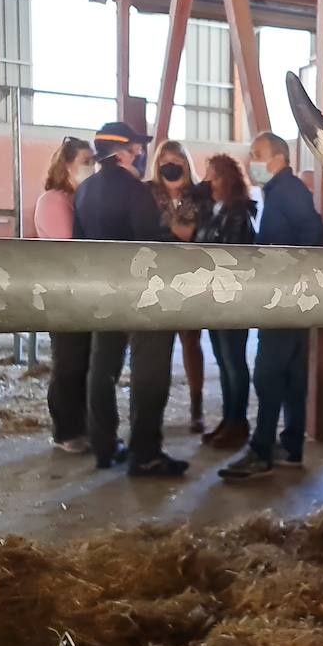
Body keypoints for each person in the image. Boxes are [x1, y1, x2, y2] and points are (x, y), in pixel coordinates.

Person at [74, 122, 189, 477]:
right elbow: (149, 243)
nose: (140, 155)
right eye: (137, 150)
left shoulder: (84, 191)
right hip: (140, 293)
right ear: (122, 152)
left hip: (100, 291)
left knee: (102, 368)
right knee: (149, 369)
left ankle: (104, 445)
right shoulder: (135, 191)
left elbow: (79, 242)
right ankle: (146, 452)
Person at [219, 132, 323, 480]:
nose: (252, 161)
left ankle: (261, 450)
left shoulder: (289, 191)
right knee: (293, 375)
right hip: (290, 299)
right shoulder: (277, 191)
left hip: (285, 298)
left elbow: (314, 232)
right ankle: (290, 446)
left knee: (267, 373)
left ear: (279, 157)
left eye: (258, 153)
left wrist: (293, 275)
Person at [34, 136, 95, 453]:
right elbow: (70, 245)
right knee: (69, 363)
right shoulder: (54, 201)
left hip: (83, 294)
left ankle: (82, 426)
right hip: (64, 293)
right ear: (66, 165)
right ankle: (66, 430)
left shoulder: (78, 198)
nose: (92, 166)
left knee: (83, 362)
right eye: (86, 161)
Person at [147, 140, 211, 433]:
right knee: (157, 347)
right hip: (156, 277)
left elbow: (193, 234)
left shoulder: (199, 195)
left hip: (190, 276)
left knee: (191, 342)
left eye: (176, 159)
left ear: (186, 162)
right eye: (164, 160)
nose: (169, 165)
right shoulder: (147, 193)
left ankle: (196, 407)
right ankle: (152, 412)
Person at [196, 153, 258, 452]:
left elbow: (229, 256)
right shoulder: (213, 210)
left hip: (232, 299)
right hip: (211, 298)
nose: (208, 181)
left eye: (214, 176)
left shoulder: (238, 213)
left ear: (228, 179)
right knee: (223, 362)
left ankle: (239, 422)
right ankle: (228, 419)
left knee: (234, 362)